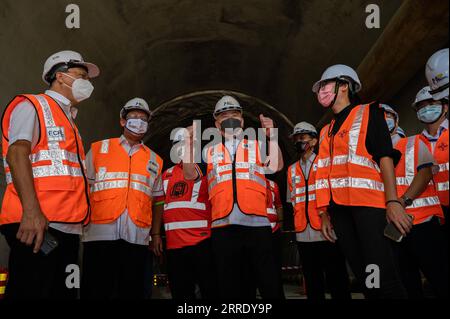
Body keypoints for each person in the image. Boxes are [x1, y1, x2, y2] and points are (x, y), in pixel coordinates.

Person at [0, 50, 98, 299]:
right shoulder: (32, 105)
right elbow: (17, 154)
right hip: (38, 224)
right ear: (60, 76)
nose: (87, 83)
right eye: (81, 75)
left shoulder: (68, 118)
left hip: (65, 227)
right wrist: (32, 213)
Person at [314, 64, 410, 299]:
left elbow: (384, 157)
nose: (322, 91)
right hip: (340, 211)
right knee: (364, 276)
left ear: (344, 86)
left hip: (369, 207)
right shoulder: (326, 130)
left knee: (382, 275)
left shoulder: (370, 112)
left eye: (326, 85)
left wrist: (393, 202)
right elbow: (323, 173)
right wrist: (324, 213)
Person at [199, 95, 284, 299]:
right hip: (223, 225)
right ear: (216, 123)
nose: (230, 118)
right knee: (230, 285)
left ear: (243, 121)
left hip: (257, 224)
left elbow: (277, 165)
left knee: (268, 282)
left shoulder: (256, 145)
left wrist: (271, 135)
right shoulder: (208, 151)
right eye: (224, 115)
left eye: (234, 114)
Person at [81, 98, 163, 299]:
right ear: (122, 121)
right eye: (134, 117)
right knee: (97, 290)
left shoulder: (155, 159)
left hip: (136, 236)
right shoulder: (99, 149)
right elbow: (82, 187)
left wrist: (155, 234)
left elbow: (158, 199)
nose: (139, 122)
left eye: (143, 119)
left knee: (131, 291)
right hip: (100, 233)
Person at [382, 104, 448, 299]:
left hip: (423, 224)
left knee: (441, 280)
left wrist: (402, 201)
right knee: (407, 284)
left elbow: (426, 172)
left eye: (388, 116)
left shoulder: (414, 142)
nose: (384, 120)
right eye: (380, 117)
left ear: (396, 120)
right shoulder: (370, 153)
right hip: (394, 230)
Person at [151, 127, 216, 299]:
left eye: (186, 144)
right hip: (174, 246)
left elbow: (192, 175)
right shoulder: (166, 174)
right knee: (181, 293)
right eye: (178, 144)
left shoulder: (205, 169)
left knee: (210, 290)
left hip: (202, 242)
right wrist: (156, 233)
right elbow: (159, 203)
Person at [287, 122, 350, 300]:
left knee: (337, 279)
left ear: (314, 141)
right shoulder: (291, 170)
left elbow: (335, 196)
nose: (299, 141)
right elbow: (292, 200)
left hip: (326, 231)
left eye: (303, 137)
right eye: (296, 138)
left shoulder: (325, 164)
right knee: (313, 282)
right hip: (303, 234)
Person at [412, 86, 449, 235]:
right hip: (430, 216)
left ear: (445, 107)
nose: (427, 109)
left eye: (432, 104)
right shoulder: (413, 144)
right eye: (422, 107)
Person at [265, 179, 285, 298]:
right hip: (257, 230)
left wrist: (280, 227)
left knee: (276, 268)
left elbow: (278, 206)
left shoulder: (273, 184)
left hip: (274, 230)